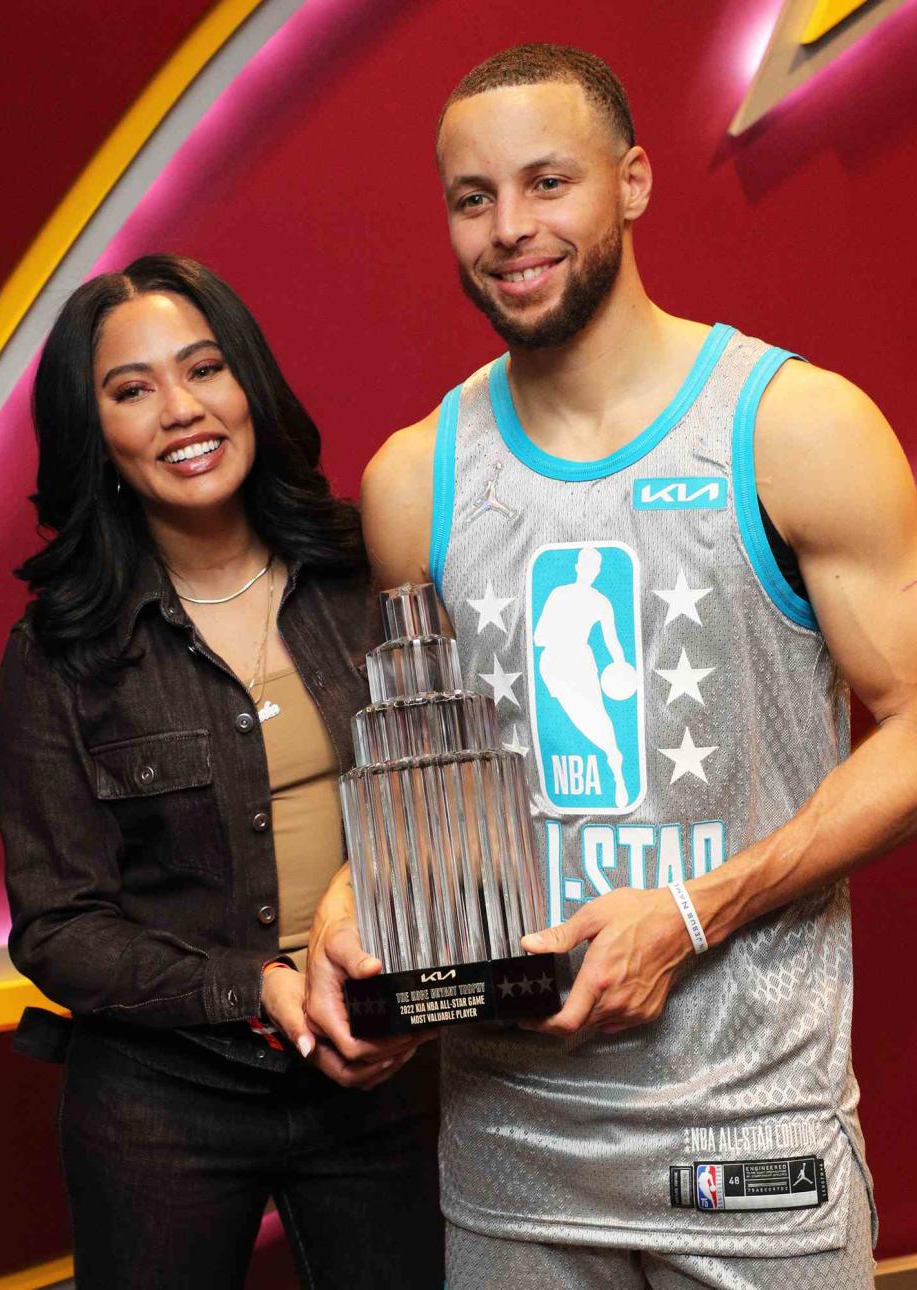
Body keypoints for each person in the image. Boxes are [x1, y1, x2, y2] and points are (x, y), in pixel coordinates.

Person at [305, 43, 917, 1289]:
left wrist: (695, 914)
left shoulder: (793, 426)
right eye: (474, 199)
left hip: (751, 1141)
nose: (510, 229)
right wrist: (351, 909)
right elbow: (432, 776)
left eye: (549, 183)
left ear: (632, 182)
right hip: (510, 1151)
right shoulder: (414, 481)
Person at [0, 254, 442, 1290]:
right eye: (132, 389)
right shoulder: (59, 650)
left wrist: (400, 992)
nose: (181, 410)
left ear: (250, 384)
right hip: (159, 1099)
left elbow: (441, 800)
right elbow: (57, 927)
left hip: (376, 1068)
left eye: (204, 369)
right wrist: (254, 987)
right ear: (94, 433)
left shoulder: (362, 574)